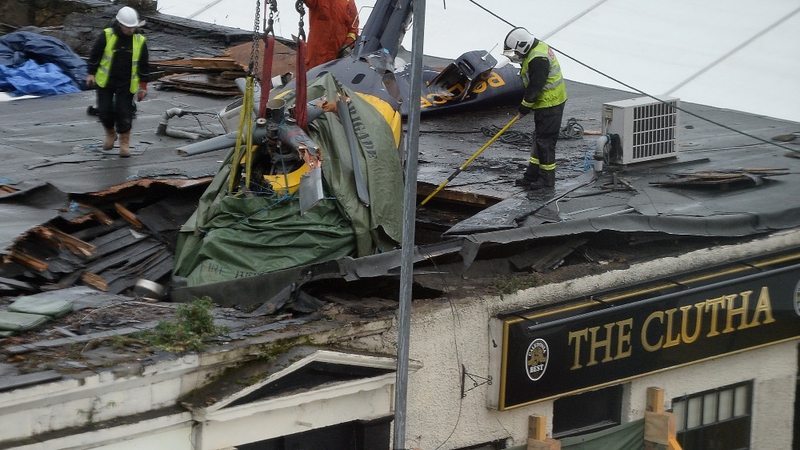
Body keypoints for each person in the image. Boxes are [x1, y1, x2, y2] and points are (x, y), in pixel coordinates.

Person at [503, 27, 567, 190]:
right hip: (545, 103)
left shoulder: (538, 58)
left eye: (516, 52)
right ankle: (531, 175)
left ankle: (546, 179)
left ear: (523, 45)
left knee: (545, 142)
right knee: (538, 139)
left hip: (551, 103)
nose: (516, 55)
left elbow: (535, 87)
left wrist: (524, 107)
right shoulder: (535, 50)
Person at [85, 6, 150, 158]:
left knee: (124, 113)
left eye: (133, 27)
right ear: (119, 24)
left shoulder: (139, 40)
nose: (130, 30)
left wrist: (143, 85)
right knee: (104, 111)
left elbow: (144, 64)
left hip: (126, 83)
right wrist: (91, 73)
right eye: (127, 27)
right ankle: (110, 134)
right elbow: (95, 55)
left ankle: (124, 142)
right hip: (106, 81)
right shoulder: (107, 36)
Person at [304, 0, 359, 69]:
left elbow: (353, 28)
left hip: (337, 59)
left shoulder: (349, 2)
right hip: (315, 58)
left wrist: (347, 45)